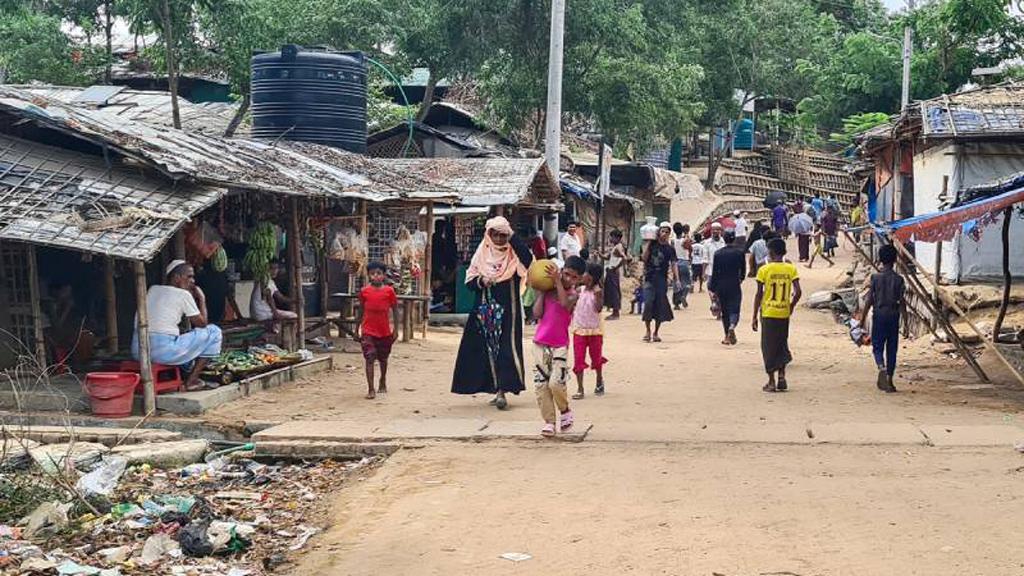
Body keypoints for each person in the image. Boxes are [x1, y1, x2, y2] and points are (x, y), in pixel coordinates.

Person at [452, 217, 534, 410]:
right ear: (488, 235)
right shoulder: (482, 253)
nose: (498, 239)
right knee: (484, 349)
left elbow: (529, 261)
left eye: (503, 235)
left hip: (508, 310)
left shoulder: (514, 255)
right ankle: (493, 387)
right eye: (495, 234)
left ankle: (503, 390)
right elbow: (470, 281)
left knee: (506, 348)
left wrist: (513, 239)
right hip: (483, 310)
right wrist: (482, 280)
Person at [134, 260, 222, 392]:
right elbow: (202, 323)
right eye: (189, 276)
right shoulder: (183, 294)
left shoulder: (152, 289)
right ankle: (191, 381)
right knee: (214, 331)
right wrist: (202, 298)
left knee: (184, 334)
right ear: (176, 278)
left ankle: (181, 375)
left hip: (137, 350)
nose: (193, 281)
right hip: (162, 352)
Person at [532, 256, 584, 436]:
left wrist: (557, 283)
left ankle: (565, 410)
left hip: (560, 344)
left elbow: (564, 304)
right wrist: (541, 292)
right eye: (566, 274)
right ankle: (549, 422)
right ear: (562, 271)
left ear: (579, 280)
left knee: (556, 382)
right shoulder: (549, 292)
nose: (569, 279)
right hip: (540, 343)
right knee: (541, 385)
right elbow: (536, 313)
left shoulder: (573, 294)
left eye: (574, 277)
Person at [752, 238, 802, 392]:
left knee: (768, 346)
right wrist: (791, 305)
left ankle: (771, 381)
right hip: (783, 312)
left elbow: (759, 294)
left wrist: (754, 315)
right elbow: (798, 292)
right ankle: (782, 375)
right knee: (781, 343)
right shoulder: (790, 269)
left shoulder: (764, 270)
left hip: (768, 313)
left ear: (771, 252)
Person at [860, 244, 905, 393]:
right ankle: (890, 380)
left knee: (877, 346)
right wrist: (904, 320)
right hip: (893, 315)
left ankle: (881, 367)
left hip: (879, 314)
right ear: (895, 260)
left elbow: (869, 300)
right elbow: (902, 302)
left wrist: (863, 318)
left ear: (880, 259)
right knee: (892, 349)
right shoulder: (899, 279)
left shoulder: (875, 278)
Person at [358, 262, 399, 400]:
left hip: (384, 331)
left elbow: (395, 310)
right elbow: (361, 310)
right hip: (368, 330)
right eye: (372, 273)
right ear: (369, 275)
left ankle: (383, 379)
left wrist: (396, 329)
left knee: (383, 358)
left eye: (378, 273)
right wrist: (356, 328)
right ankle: (371, 388)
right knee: (369, 357)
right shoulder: (364, 291)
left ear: (383, 275)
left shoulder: (389, 291)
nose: (375, 276)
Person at [572, 263, 606, 399]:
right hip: (579, 330)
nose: (582, 276)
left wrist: (598, 296)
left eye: (585, 273)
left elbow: (598, 309)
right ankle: (580, 388)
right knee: (578, 359)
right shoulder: (579, 290)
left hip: (594, 331)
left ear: (591, 277)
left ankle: (599, 380)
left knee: (596, 358)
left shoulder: (598, 291)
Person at [708, 231, 747, 345]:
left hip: (721, 285)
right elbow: (743, 271)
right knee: (735, 309)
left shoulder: (718, 254)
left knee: (724, 311)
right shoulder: (739, 253)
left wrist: (713, 288)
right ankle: (732, 326)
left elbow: (715, 272)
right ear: (734, 239)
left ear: (723, 239)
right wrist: (740, 280)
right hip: (734, 284)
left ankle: (726, 336)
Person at [642, 223, 678, 343]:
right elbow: (644, 258)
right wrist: (648, 244)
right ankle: (647, 330)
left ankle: (656, 332)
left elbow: (674, 264)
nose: (664, 234)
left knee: (659, 305)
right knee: (648, 304)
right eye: (662, 231)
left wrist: (676, 279)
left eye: (667, 232)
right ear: (658, 232)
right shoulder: (652, 245)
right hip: (649, 278)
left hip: (662, 280)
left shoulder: (670, 249)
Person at [250, 260, 297, 330]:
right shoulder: (265, 280)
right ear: (267, 269)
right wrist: (276, 314)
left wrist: (296, 301)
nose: (274, 271)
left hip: (259, 312)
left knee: (281, 316)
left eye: (276, 268)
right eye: (272, 268)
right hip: (262, 313)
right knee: (294, 316)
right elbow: (270, 299)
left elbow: (281, 298)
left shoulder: (269, 281)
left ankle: (275, 330)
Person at [601, 229, 628, 320]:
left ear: (616, 238)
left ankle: (616, 313)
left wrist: (616, 267)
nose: (610, 239)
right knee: (611, 291)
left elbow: (624, 258)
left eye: (611, 237)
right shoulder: (615, 247)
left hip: (613, 271)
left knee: (614, 291)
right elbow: (607, 257)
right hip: (611, 270)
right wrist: (599, 254)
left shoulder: (618, 247)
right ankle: (614, 311)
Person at [703, 223, 727, 318]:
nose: (715, 231)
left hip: (723, 271)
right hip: (710, 271)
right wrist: (703, 272)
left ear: (721, 231)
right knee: (711, 290)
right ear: (711, 231)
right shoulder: (707, 243)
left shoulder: (724, 242)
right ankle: (714, 303)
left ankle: (719, 310)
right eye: (713, 229)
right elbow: (705, 258)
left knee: (721, 292)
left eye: (717, 229)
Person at [672, 222, 692, 309]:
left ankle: (676, 304)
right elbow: (690, 249)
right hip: (684, 262)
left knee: (676, 282)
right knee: (687, 282)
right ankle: (683, 295)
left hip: (675, 263)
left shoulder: (672, 241)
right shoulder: (685, 240)